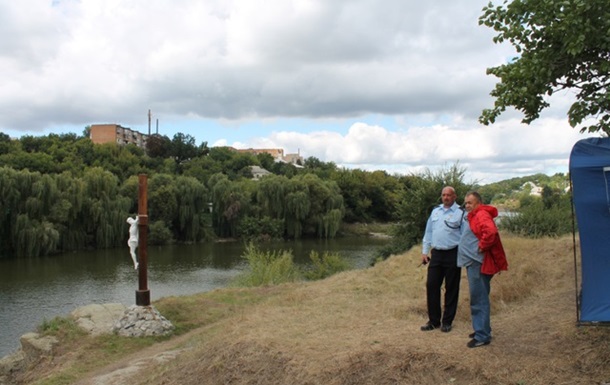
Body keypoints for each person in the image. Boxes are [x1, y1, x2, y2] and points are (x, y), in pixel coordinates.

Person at [458, 191, 508, 348]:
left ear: (478, 203)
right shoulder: (475, 214)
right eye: (465, 203)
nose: (467, 206)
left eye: (470, 203)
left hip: (477, 263)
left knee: (478, 299)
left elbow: (491, 232)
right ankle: (481, 328)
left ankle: (482, 335)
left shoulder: (481, 214)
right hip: (474, 263)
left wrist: (482, 246)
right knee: (479, 296)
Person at [420, 186, 464, 333]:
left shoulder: (460, 213)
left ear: (454, 197)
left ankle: (447, 322)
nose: (445, 197)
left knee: (451, 288)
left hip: (453, 253)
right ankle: (433, 321)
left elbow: (465, 236)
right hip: (437, 254)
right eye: (443, 195)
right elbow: (429, 232)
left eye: (449, 195)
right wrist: (425, 252)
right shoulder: (435, 211)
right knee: (432, 286)